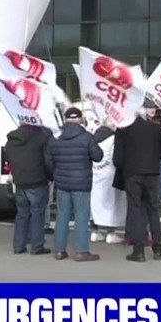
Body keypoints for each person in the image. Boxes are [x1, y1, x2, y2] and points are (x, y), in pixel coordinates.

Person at [44, 107, 109, 262]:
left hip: (62, 183)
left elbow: (48, 161)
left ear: (65, 119)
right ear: (80, 119)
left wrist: (57, 173)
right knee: (81, 216)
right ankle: (81, 251)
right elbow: (98, 156)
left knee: (62, 216)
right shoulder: (86, 137)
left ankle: (59, 251)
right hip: (82, 182)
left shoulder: (55, 138)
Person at [115, 102, 161, 262]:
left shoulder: (123, 128)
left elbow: (117, 157)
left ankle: (138, 249)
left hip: (132, 172)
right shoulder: (155, 128)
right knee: (153, 209)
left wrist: (125, 166)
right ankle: (158, 248)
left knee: (135, 208)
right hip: (151, 171)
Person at [3, 121, 53, 255]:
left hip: (19, 182)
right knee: (37, 214)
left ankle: (19, 245)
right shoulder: (42, 138)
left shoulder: (11, 141)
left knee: (21, 214)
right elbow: (47, 161)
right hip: (37, 181)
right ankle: (36, 246)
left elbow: (8, 160)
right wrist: (50, 176)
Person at [91, 123, 126, 246]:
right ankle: (111, 233)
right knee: (112, 203)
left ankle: (95, 231)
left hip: (95, 173)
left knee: (95, 203)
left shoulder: (93, 138)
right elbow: (117, 157)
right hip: (110, 174)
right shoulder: (113, 140)